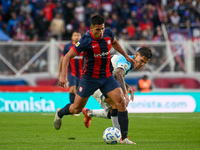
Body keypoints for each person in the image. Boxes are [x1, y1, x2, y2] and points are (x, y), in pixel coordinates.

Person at [54, 15, 136, 144]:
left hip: (107, 76)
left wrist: (126, 56)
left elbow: (114, 42)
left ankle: (124, 138)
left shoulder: (108, 33)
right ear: (91, 28)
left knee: (120, 101)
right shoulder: (85, 40)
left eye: (102, 29)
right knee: (76, 109)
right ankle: (60, 113)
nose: (100, 32)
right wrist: (63, 76)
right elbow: (67, 57)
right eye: (97, 29)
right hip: (90, 78)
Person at [82, 47, 152, 132]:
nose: (142, 64)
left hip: (101, 81)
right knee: (117, 106)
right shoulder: (126, 61)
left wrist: (127, 87)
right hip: (95, 81)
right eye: (141, 61)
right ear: (136, 55)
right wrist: (125, 92)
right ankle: (119, 134)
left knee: (114, 110)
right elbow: (118, 74)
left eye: (145, 62)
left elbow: (115, 75)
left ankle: (89, 113)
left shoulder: (129, 63)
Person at [57, 31, 83, 106]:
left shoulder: (83, 46)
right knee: (72, 89)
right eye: (75, 35)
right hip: (71, 72)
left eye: (78, 35)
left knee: (79, 91)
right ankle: (73, 107)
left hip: (81, 73)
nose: (77, 37)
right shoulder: (68, 46)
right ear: (72, 37)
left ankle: (77, 107)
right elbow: (62, 59)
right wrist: (59, 72)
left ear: (81, 37)